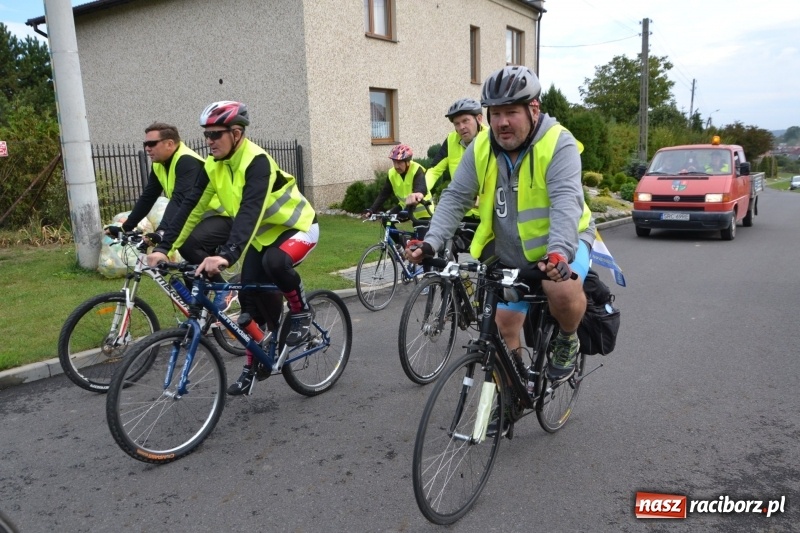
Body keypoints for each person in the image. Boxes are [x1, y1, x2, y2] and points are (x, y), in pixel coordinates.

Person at [407, 65, 595, 385]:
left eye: (511, 112)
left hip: (564, 243)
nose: (502, 122)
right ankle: (510, 397)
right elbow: (455, 198)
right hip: (510, 250)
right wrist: (431, 242)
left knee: (560, 289)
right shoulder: (481, 147)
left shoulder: (557, 143)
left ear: (533, 109)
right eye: (495, 113)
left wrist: (559, 253)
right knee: (503, 326)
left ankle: (567, 338)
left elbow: (566, 202)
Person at [146, 101, 318, 396]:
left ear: (236, 133)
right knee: (249, 307)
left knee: (275, 263)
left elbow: (250, 210)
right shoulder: (212, 166)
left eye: (216, 135)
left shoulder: (256, 162)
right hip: (259, 237)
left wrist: (226, 255)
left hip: (296, 227)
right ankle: (254, 365)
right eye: (206, 135)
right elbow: (191, 207)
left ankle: (302, 312)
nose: (209, 141)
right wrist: (164, 247)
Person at [105, 123, 234, 310]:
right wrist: (126, 227)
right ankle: (199, 320)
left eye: (152, 143)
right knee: (191, 273)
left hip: (219, 216)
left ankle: (225, 288)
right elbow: (148, 197)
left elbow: (181, 200)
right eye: (145, 144)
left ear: (170, 143)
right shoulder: (161, 165)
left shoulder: (187, 161)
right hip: (195, 220)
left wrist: (161, 232)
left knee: (187, 245)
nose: (147, 148)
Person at [421, 98, 487, 224]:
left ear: (479, 118)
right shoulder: (451, 140)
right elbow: (434, 170)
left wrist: (483, 200)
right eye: (457, 124)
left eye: (465, 121)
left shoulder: (492, 140)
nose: (461, 127)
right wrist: (420, 190)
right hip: (462, 213)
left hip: (489, 215)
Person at [363, 144, 434, 250]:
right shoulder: (392, 173)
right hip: (404, 207)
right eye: (394, 162)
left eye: (399, 162)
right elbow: (384, 193)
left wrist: (415, 197)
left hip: (423, 211)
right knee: (386, 219)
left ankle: (427, 265)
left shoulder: (417, 170)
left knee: (422, 250)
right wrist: (372, 209)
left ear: (408, 161)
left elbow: (421, 188)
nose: (396, 166)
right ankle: (400, 246)